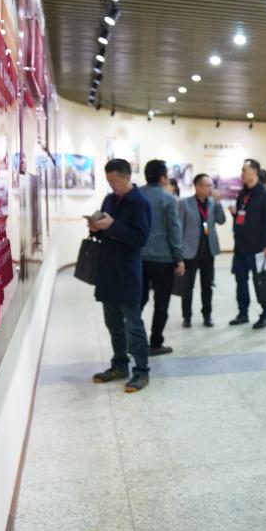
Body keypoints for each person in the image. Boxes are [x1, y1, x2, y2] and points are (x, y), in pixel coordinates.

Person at [90, 158, 153, 393]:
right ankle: (119, 365)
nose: (112, 185)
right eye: (109, 181)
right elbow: (105, 232)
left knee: (133, 325)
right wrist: (96, 228)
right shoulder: (109, 199)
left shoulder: (140, 204)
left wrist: (112, 225)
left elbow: (141, 238)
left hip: (127, 272)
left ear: (127, 177)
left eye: (115, 181)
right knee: (113, 323)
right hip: (107, 270)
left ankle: (142, 371)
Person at [139, 159, 185, 355]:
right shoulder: (168, 199)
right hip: (163, 260)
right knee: (161, 303)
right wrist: (179, 258)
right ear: (162, 178)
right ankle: (156, 342)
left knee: (137, 301)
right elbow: (174, 231)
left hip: (139, 258)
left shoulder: (137, 195)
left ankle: (133, 339)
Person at [229, 158, 266, 329]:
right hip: (240, 247)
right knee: (240, 281)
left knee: (261, 283)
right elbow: (243, 218)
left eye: (244, 170)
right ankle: (242, 313)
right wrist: (235, 215)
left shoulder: (265, 195)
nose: (242, 174)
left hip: (258, 248)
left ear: (255, 172)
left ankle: (265, 315)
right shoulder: (243, 194)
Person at [179, 173, 225, 328]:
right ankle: (187, 316)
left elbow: (221, 220)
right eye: (208, 185)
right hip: (190, 251)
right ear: (198, 186)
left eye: (211, 185)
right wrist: (179, 252)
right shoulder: (185, 203)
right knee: (188, 287)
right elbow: (179, 228)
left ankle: (207, 315)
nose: (211, 188)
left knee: (207, 286)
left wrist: (218, 203)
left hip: (208, 251)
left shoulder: (212, 203)